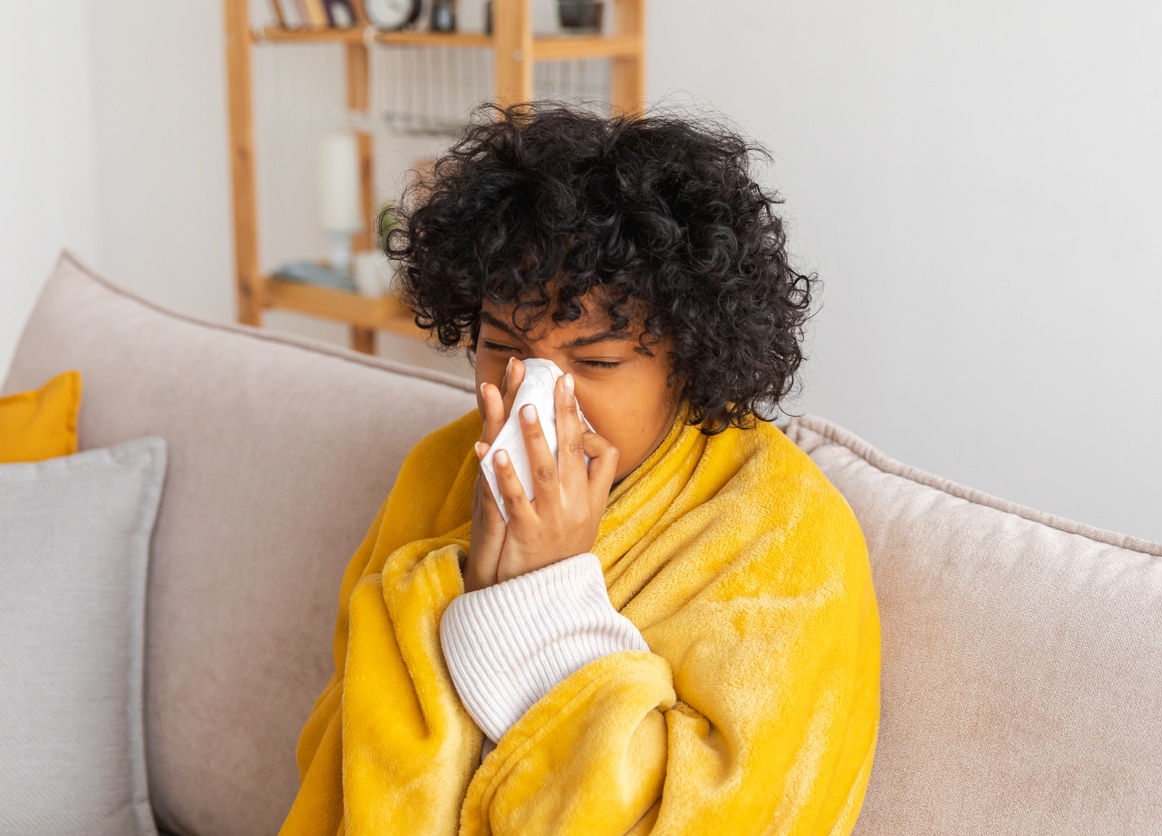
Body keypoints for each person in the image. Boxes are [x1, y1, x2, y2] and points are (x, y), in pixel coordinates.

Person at [280, 102, 880, 835]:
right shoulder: (439, 469)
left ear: (689, 361)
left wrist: (541, 595)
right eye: (501, 347)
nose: (534, 395)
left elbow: (731, 811)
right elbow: (341, 745)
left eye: (594, 361)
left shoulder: (786, 532)